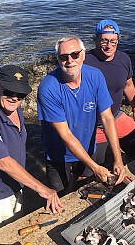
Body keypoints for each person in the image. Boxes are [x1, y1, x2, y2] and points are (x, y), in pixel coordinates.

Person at [0, 65, 63, 236]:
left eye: (20, 94)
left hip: (15, 186)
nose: (14, 97)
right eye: (8, 91)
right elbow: (4, 162)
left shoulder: (15, 107)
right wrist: (43, 189)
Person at [37, 35, 126, 196]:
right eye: (64, 57)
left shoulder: (95, 76)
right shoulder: (48, 88)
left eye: (75, 54)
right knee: (61, 196)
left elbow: (107, 118)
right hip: (59, 154)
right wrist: (95, 167)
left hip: (87, 147)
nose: (70, 60)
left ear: (83, 55)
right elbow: (65, 135)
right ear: (58, 59)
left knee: (85, 188)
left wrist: (118, 159)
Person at [84, 19, 135, 163]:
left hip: (115, 116)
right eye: (104, 41)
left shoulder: (124, 59)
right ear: (95, 40)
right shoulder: (84, 62)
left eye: (113, 41)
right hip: (93, 125)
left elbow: (128, 86)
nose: (109, 46)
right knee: (91, 168)